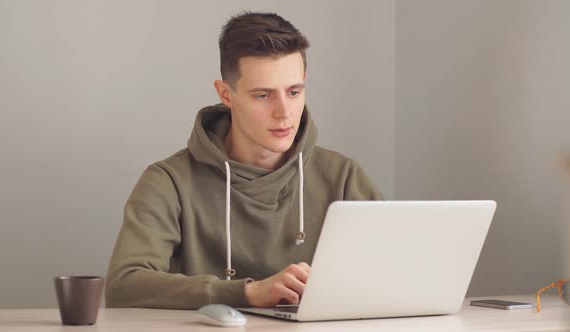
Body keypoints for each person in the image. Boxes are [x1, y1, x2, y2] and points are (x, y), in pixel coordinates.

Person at [105, 11, 384, 310]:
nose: (284, 112)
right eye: (263, 95)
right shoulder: (169, 181)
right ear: (226, 94)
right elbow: (124, 285)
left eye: (293, 92)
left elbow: (399, 273)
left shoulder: (343, 177)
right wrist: (247, 293)